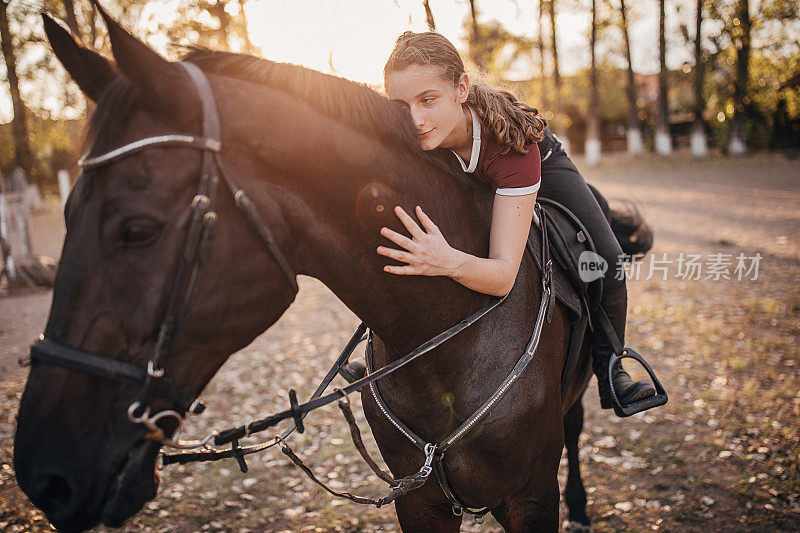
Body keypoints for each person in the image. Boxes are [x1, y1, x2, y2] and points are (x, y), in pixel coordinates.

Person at [340, 31, 656, 414]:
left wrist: (446, 260)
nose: (416, 120)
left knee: (604, 260)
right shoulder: (411, 131)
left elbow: (504, 276)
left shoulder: (513, 152)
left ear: (461, 88)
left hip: (539, 165)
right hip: (476, 171)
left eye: (428, 100)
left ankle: (611, 369)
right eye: (401, 105)